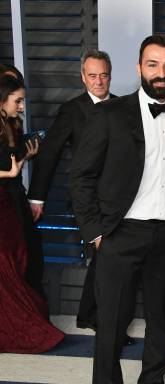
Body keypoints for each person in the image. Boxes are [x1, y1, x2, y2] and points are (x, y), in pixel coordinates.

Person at [70, 35, 165, 384]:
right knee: (110, 328)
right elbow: (81, 176)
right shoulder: (110, 114)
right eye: (153, 65)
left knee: (160, 324)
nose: (162, 73)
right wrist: (96, 233)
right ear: (139, 68)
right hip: (121, 235)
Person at [26, 50, 134, 343]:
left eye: (103, 75)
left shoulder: (124, 107)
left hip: (120, 197)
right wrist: (37, 197)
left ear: (110, 75)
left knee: (106, 257)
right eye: (92, 75)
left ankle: (89, 313)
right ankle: (101, 320)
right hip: (88, 198)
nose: (99, 81)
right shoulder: (72, 110)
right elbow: (49, 154)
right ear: (82, 76)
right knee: (107, 256)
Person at [0, 74, 64, 353]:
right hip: (4, 204)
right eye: (18, 101)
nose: (22, 107)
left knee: (20, 261)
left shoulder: (9, 125)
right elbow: (6, 168)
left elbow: (9, 161)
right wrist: (8, 172)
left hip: (12, 203)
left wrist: (25, 158)